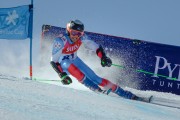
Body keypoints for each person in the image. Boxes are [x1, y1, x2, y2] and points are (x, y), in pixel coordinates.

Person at [50, 19, 151, 102]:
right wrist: (62, 75)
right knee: (70, 65)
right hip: (63, 64)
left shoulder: (82, 38)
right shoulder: (60, 41)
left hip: (75, 60)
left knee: (96, 79)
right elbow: (54, 61)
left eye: (79, 33)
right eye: (73, 32)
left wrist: (103, 57)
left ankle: (126, 94)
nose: (76, 36)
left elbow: (96, 47)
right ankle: (97, 90)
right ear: (68, 30)